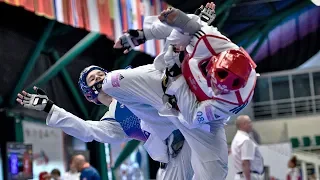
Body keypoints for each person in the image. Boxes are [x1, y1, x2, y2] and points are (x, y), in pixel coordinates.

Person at [16, 85, 193, 180]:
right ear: (90, 97)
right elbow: (87, 130)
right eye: (93, 81)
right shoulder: (114, 119)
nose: (99, 82)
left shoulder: (137, 85)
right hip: (172, 160)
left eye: (101, 76)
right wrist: (50, 108)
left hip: (194, 135)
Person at [231, 115, 264, 180]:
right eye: (249, 122)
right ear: (243, 124)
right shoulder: (245, 140)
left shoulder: (236, 139)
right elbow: (245, 162)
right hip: (249, 176)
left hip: (241, 176)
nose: (251, 125)